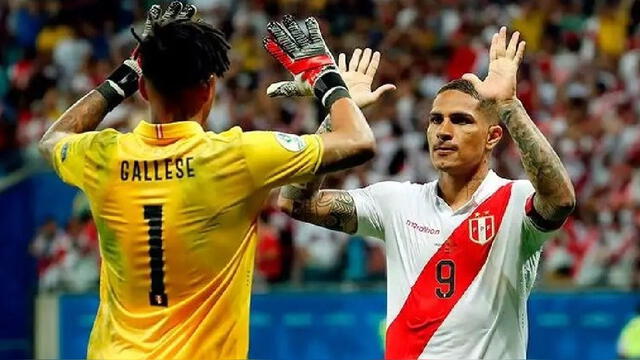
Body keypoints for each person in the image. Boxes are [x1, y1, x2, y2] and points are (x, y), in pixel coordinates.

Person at [38, 3, 390, 359]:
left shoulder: (103, 156)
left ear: (143, 89)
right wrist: (326, 78)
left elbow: (52, 139)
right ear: (209, 89)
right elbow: (357, 141)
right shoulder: (236, 157)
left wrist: (126, 74)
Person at [278, 27, 576, 359]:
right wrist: (338, 110)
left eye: (461, 121)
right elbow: (294, 202)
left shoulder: (513, 201)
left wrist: (508, 105)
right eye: (436, 120)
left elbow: (560, 199)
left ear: (493, 136)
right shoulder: (397, 202)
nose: (443, 132)